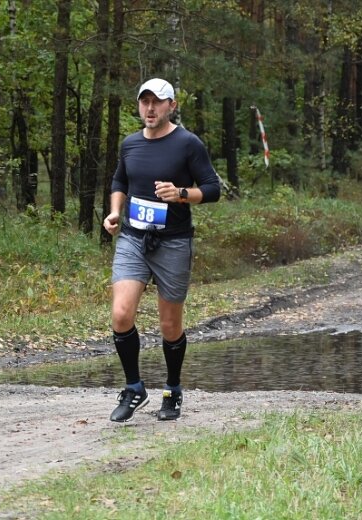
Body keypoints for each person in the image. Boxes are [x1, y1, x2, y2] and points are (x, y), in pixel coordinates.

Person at [103, 78, 220, 422]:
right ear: (138, 105)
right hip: (133, 239)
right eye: (145, 102)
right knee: (121, 314)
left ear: (172, 105)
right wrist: (114, 211)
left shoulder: (188, 144)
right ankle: (134, 387)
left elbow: (213, 189)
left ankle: (172, 390)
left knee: (170, 325)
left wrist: (182, 193)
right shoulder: (130, 144)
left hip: (173, 241)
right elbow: (119, 181)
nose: (150, 109)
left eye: (157, 102)